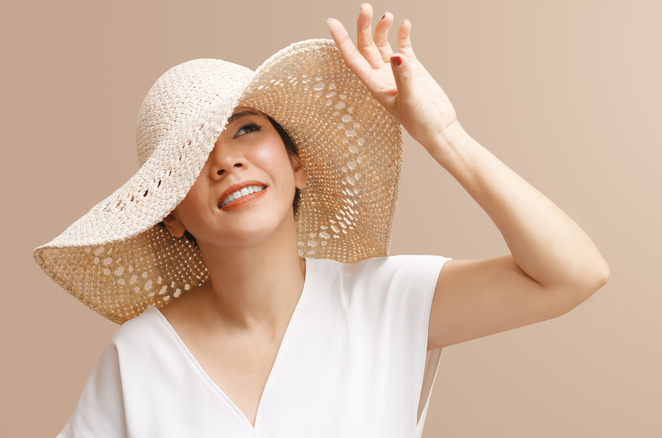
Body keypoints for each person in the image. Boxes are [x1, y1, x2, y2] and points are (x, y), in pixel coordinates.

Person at [34, 4, 609, 437]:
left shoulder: (387, 300)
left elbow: (574, 274)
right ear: (171, 219)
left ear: (297, 165)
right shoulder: (136, 359)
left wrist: (445, 136)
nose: (225, 160)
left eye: (246, 129)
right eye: (190, 156)